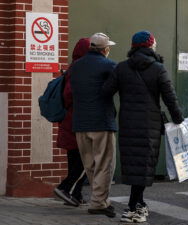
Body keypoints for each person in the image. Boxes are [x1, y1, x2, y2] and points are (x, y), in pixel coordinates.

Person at [103, 30, 184, 223]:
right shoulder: (158, 69)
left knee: (134, 164)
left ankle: (138, 204)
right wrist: (178, 119)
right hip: (150, 124)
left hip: (128, 123)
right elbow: (170, 98)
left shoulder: (121, 68)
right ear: (150, 46)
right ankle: (133, 208)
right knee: (144, 164)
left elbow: (105, 91)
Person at [70, 33, 117, 217]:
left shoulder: (76, 66)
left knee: (89, 164)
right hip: (101, 122)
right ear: (105, 49)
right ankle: (99, 202)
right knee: (104, 164)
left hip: (80, 123)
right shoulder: (109, 65)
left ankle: (99, 199)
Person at [54, 38, 90, 207]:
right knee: (85, 160)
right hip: (75, 122)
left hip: (70, 123)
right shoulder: (78, 70)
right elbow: (69, 95)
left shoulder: (72, 68)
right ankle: (65, 188)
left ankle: (75, 194)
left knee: (76, 160)